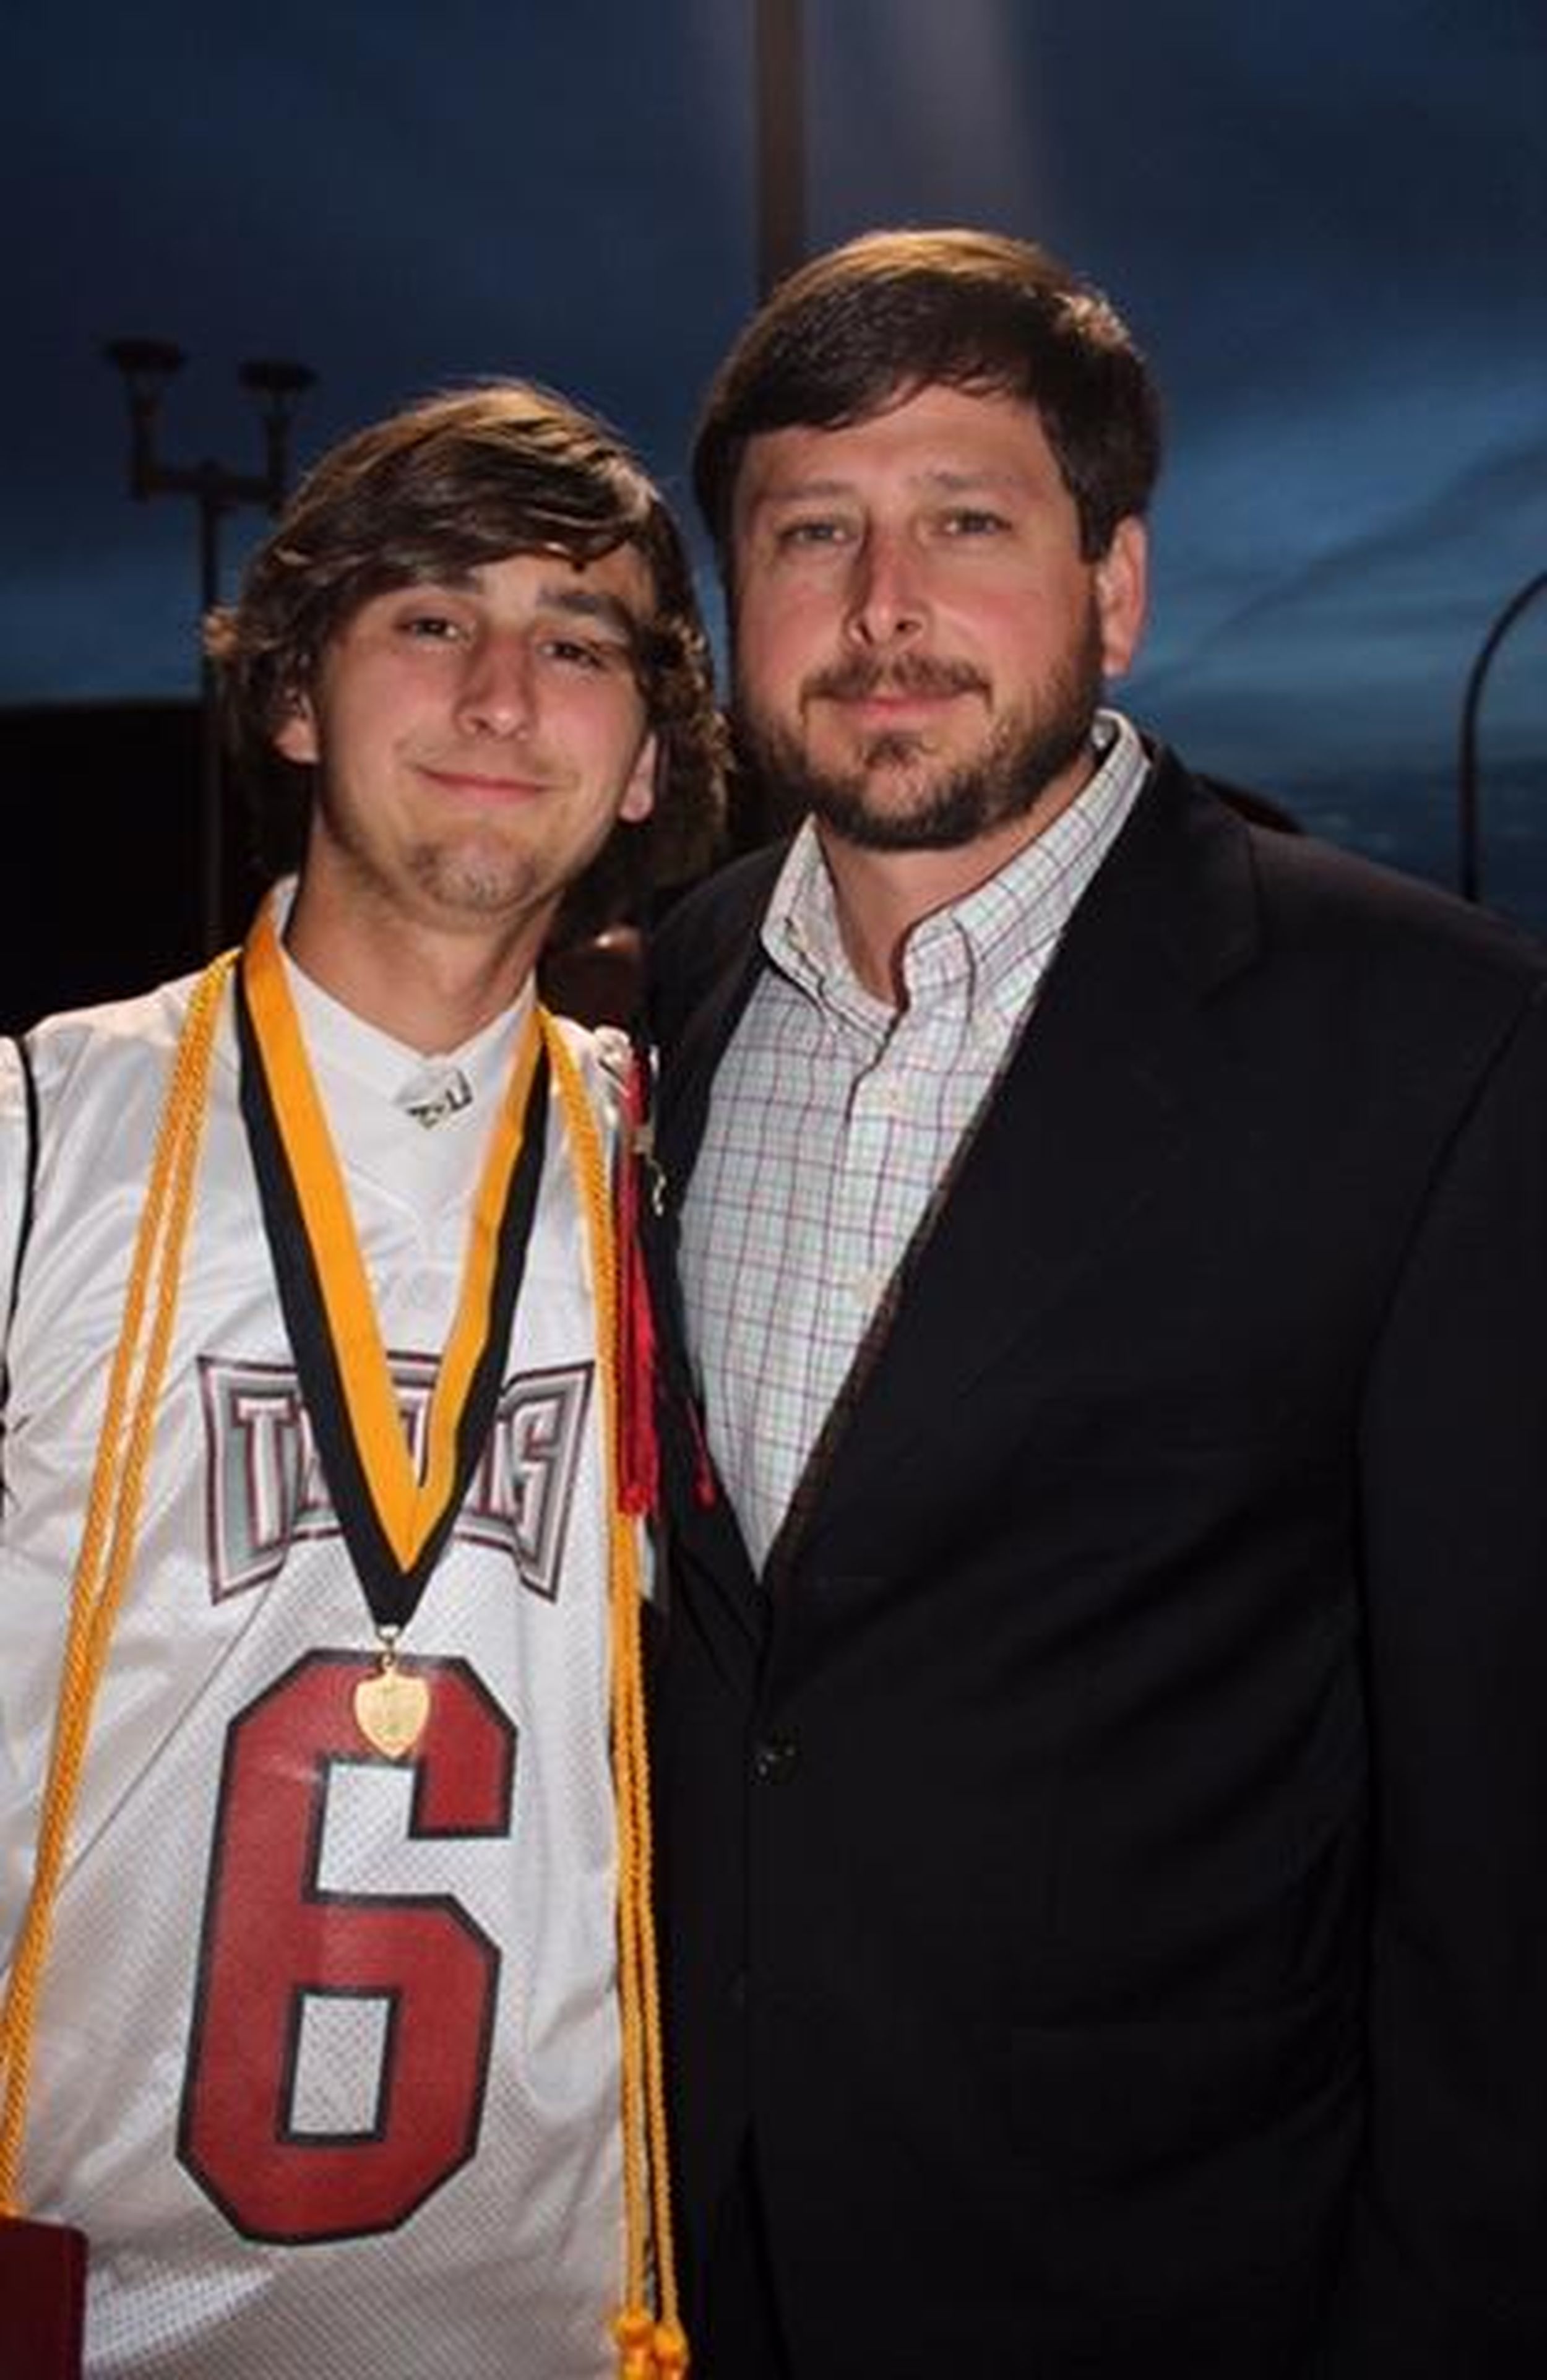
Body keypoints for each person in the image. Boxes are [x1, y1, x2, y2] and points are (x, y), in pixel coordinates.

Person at [646, 228, 1547, 2378]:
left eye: (966, 521)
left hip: (1168, 2277)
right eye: (810, 532)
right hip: (679, 2250)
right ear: (730, 606)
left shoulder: (1434, 1044)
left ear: (1112, 587)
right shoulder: (660, 1001)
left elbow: (1500, 1850)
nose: (884, 608)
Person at [0, 381, 722, 2380]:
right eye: (428, 618)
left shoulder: (689, 1172)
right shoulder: (39, 1139)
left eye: (577, 644)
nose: (504, 694)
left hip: (571, 2325)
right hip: (93, 2310)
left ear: (649, 760)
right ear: (296, 696)